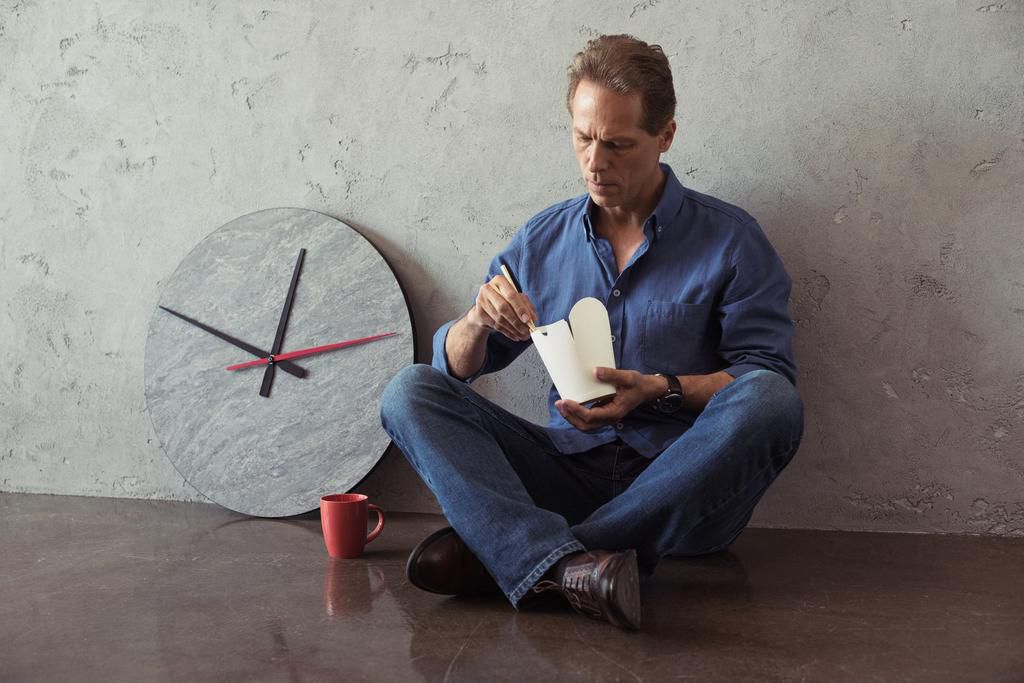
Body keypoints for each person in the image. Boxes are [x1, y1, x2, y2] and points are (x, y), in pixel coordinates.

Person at [379, 34, 804, 631]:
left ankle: (529, 557)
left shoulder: (732, 240)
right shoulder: (541, 240)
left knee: (772, 401)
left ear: (666, 136)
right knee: (409, 390)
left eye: (618, 144)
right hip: (565, 471)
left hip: (681, 485)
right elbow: (459, 367)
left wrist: (659, 389)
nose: (595, 162)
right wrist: (476, 320)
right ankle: (577, 568)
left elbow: (765, 377)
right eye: (582, 138)